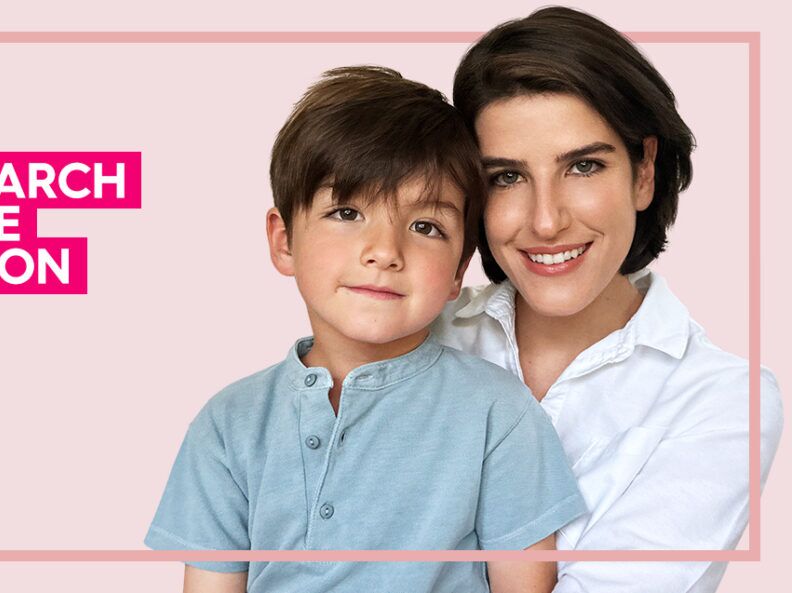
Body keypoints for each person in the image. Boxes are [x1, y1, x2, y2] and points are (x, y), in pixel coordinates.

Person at [145, 66, 587, 593]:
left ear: (457, 271)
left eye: (425, 227)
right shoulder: (228, 424)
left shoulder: (499, 415)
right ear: (284, 241)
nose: (384, 251)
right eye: (347, 211)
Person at [432, 7, 784, 592]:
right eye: (506, 177)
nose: (546, 221)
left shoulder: (724, 402)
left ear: (644, 172)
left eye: (584, 166)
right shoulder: (421, 334)